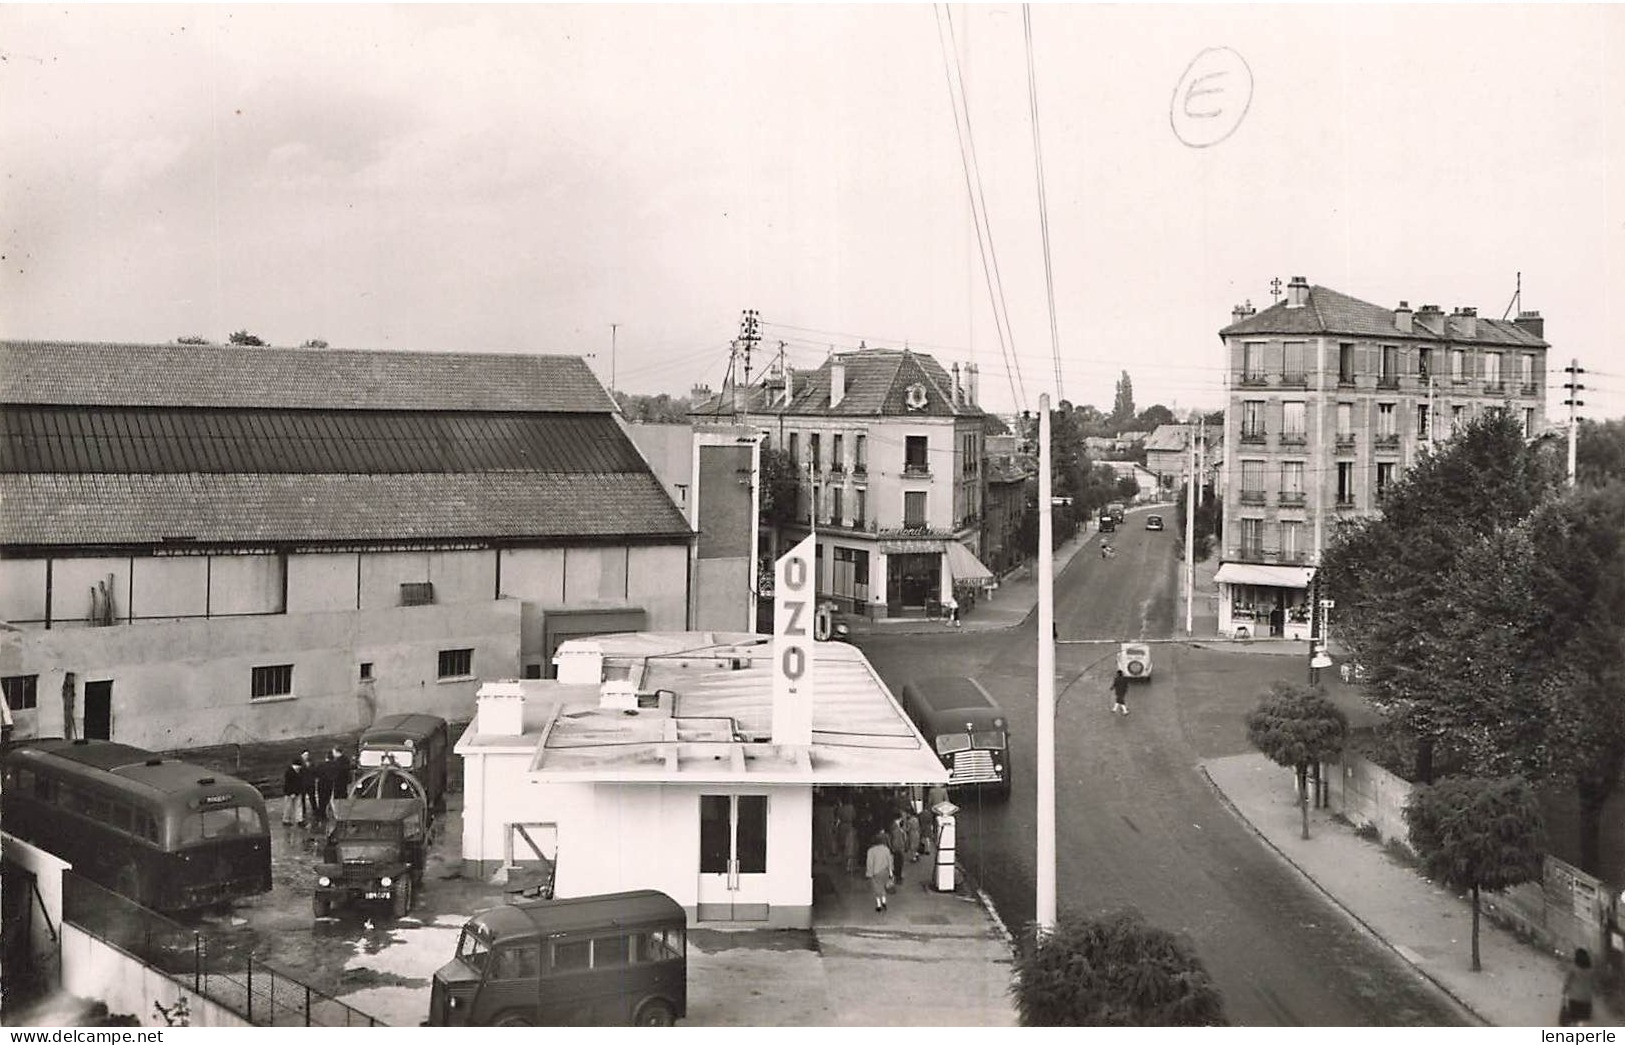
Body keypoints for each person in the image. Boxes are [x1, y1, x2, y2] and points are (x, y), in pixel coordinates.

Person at [1560, 948, 1595, 1026]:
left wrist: (1564, 992)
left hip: (1574, 998)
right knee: (1581, 1019)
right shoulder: (1591, 970)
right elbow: (1593, 984)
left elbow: (1567, 981)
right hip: (1586, 998)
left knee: (1574, 1018)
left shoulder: (1573, 968)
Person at [865, 832, 894, 912]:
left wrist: (869, 873)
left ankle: (878, 905)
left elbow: (869, 863)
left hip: (876, 872)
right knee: (883, 887)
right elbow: (890, 861)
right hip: (885, 872)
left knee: (876, 889)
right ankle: (884, 901)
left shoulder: (871, 851)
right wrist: (891, 872)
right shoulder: (886, 849)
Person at [887, 812, 909, 888]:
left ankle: (897, 876)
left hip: (897, 848)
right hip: (898, 848)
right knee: (898, 863)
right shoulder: (896, 828)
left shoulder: (895, 827)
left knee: (897, 863)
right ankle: (898, 878)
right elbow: (896, 839)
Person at [281, 759, 306, 826]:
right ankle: (286, 819)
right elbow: (288, 784)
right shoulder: (289, 772)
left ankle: (299, 819)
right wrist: (291, 792)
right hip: (290, 793)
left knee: (297, 806)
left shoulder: (294, 771)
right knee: (288, 807)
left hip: (297, 792)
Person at [300, 751, 321, 823]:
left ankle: (315, 810)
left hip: (310, 783)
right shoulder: (300, 764)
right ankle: (303, 811)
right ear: (302, 755)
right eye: (305, 755)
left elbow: (315, 771)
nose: (306, 756)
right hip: (302, 784)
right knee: (302, 798)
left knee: (312, 797)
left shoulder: (312, 763)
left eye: (307, 755)